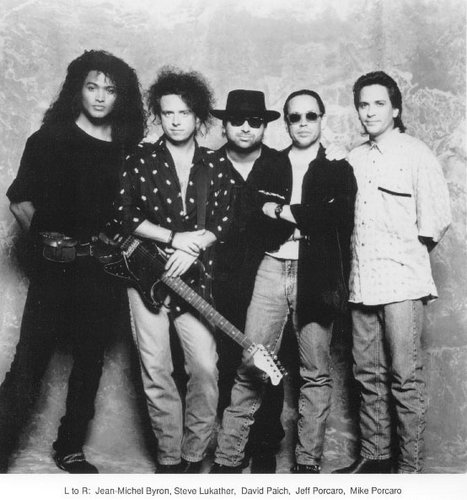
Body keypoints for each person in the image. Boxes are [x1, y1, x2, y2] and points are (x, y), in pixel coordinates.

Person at [1, 50, 145, 473]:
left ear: (121, 96)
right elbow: (20, 200)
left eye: (110, 90)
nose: (100, 97)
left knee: (89, 361)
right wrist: (46, 239)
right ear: (77, 89)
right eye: (92, 86)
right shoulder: (49, 138)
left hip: (102, 270)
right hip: (55, 269)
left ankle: (70, 447)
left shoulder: (127, 147)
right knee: (30, 361)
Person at [211, 89, 357, 473]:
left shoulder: (337, 166)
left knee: (315, 372)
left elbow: (339, 217)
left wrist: (279, 209)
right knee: (251, 364)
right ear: (287, 123)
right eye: (295, 117)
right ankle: (227, 460)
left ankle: (307, 465)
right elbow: (250, 211)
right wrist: (306, 213)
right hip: (272, 267)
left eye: (311, 116)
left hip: (316, 273)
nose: (303, 123)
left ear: (322, 119)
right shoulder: (272, 163)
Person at [333, 71, 451, 474]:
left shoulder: (416, 154)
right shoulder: (353, 158)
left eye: (379, 103)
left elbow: (435, 221)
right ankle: (375, 456)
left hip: (402, 283)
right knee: (368, 375)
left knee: (404, 377)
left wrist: (404, 257)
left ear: (396, 109)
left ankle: (409, 469)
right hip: (361, 284)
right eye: (363, 104)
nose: (370, 112)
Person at [117, 67, 232, 473]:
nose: (176, 121)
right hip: (145, 274)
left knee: (204, 367)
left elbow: (225, 220)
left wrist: (194, 245)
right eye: (168, 113)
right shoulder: (140, 159)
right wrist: (173, 238)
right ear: (158, 115)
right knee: (156, 369)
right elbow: (124, 216)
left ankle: (193, 455)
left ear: (198, 117)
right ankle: (169, 458)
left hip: (195, 277)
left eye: (184, 113)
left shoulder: (215, 164)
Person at [210, 89, 285, 473]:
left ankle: (265, 443)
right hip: (218, 278)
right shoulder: (207, 164)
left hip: (267, 274)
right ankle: (231, 447)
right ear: (224, 125)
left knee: (266, 359)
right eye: (236, 120)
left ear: (264, 127)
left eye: (254, 121)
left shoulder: (279, 163)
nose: (244, 128)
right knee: (226, 361)